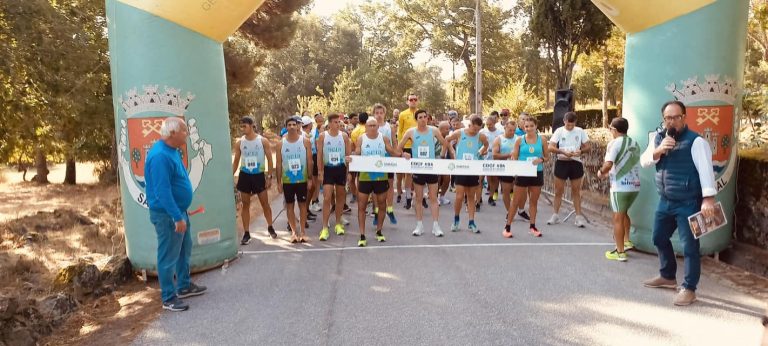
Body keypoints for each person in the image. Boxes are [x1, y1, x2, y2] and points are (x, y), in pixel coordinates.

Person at [640, 100, 717, 306]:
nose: (671, 122)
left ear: (684, 117)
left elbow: (706, 171)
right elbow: (645, 160)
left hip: (688, 202)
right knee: (658, 237)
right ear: (663, 119)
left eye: (676, 117)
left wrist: (708, 199)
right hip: (666, 200)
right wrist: (659, 150)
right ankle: (667, 275)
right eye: (668, 118)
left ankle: (689, 288)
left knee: (690, 247)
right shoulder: (658, 137)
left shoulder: (696, 142)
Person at [145, 117, 206, 312]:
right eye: (184, 131)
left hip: (178, 211)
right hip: (168, 215)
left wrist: (181, 211)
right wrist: (176, 216)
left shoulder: (171, 150)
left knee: (183, 249)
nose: (186, 134)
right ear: (172, 133)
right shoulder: (160, 156)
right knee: (168, 255)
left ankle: (184, 285)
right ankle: (169, 297)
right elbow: (162, 191)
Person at [351, 118, 409, 247]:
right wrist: (352, 156)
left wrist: (402, 155)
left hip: (380, 177)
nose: (372, 127)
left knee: (382, 205)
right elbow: (357, 152)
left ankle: (379, 231)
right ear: (366, 127)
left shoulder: (383, 138)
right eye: (370, 125)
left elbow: (392, 152)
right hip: (365, 177)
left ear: (378, 127)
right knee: (362, 206)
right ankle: (362, 234)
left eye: (374, 125)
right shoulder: (361, 138)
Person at [398, 110, 455, 237]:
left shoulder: (433, 130)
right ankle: (419, 226)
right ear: (416, 119)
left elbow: (444, 142)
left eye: (425, 117)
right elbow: (398, 148)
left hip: (431, 169)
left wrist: (445, 154)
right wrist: (403, 154)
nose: (423, 119)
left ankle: (436, 226)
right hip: (418, 169)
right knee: (418, 198)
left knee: (433, 198)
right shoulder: (410, 132)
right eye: (420, 117)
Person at [597, 117, 641, 262]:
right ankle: (627, 241)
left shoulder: (614, 143)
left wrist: (601, 172)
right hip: (634, 186)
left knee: (617, 218)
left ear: (614, 130)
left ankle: (620, 252)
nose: (610, 131)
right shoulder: (634, 143)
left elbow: (608, 164)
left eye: (610, 128)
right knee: (624, 214)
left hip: (620, 186)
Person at [232, 116, 276, 245]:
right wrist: (230, 175)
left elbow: (269, 159)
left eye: (244, 126)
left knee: (265, 203)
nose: (242, 129)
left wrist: (269, 176)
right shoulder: (240, 142)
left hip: (258, 175)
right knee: (245, 204)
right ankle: (246, 233)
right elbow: (236, 162)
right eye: (241, 126)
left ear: (251, 126)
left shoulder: (262, 141)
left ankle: (270, 226)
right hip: (245, 175)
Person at [503, 117, 549, 237]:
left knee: (533, 201)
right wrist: (515, 166)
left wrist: (541, 159)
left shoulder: (542, 139)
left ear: (536, 127)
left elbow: (547, 157)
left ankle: (532, 226)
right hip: (522, 173)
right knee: (516, 201)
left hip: (537, 172)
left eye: (531, 126)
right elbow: (514, 157)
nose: (528, 128)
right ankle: (507, 227)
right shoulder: (519, 140)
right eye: (526, 126)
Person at [444, 115, 489, 233]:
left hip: (473, 169)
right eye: (474, 129)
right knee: (459, 197)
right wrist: (452, 151)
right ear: (470, 125)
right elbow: (447, 140)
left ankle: (471, 222)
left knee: (471, 196)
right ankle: (456, 220)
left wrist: (481, 152)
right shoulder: (460, 133)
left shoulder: (481, 136)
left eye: (478, 129)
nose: (476, 131)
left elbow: (486, 145)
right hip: (461, 169)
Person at [547, 111, 591, 227]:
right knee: (558, 190)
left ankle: (578, 216)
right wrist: (562, 151)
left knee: (576, 191)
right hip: (562, 162)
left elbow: (588, 147)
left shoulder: (580, 131)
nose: (570, 127)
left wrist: (580, 151)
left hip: (575, 163)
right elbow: (550, 147)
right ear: (564, 122)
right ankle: (555, 214)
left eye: (572, 125)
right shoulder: (559, 131)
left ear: (575, 123)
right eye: (568, 125)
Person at [275, 116, 314, 243]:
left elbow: (309, 161)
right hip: (288, 181)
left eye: (294, 124)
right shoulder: (281, 144)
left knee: (302, 205)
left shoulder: (305, 141)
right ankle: (293, 232)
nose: (292, 127)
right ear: (286, 127)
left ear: (298, 126)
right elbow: (279, 164)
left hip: (301, 180)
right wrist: (279, 182)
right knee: (289, 206)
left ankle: (302, 232)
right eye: (289, 125)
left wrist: (309, 179)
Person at [317, 113, 352, 240]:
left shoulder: (344, 136)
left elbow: (348, 156)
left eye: (339, 122)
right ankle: (325, 227)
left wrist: (349, 173)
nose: (338, 124)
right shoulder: (322, 136)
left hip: (341, 169)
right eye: (336, 122)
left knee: (341, 196)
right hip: (328, 169)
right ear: (330, 123)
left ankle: (338, 223)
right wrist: (320, 172)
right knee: (327, 197)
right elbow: (320, 155)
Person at [492, 118, 519, 237]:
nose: (512, 132)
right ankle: (510, 212)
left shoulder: (518, 139)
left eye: (513, 130)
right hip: (505, 168)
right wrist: (508, 155)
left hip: (517, 168)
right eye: (509, 130)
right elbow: (495, 155)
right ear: (505, 128)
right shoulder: (499, 139)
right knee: (506, 191)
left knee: (519, 192)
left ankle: (520, 209)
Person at [374, 104, 398, 225]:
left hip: (388, 159)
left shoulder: (390, 127)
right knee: (376, 186)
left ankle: (389, 208)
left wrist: (397, 155)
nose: (379, 115)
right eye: (377, 113)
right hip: (375, 160)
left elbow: (394, 142)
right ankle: (377, 210)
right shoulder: (371, 126)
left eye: (381, 113)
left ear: (384, 114)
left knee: (389, 184)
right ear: (374, 114)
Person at [398, 93, 419, 209]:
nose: (413, 101)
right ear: (407, 101)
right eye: (411, 99)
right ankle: (408, 197)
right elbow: (400, 131)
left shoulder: (421, 113)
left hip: (419, 147)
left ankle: (420, 197)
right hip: (406, 146)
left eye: (415, 99)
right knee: (408, 173)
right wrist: (400, 147)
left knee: (418, 172)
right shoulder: (402, 114)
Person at [479, 112, 504, 207]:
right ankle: (479, 197)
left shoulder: (500, 133)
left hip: (495, 158)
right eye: (487, 124)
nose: (489, 126)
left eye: (490, 124)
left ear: (494, 123)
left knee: (494, 179)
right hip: (483, 158)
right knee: (480, 179)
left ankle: (491, 197)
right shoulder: (482, 132)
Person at [301, 116, 320, 222]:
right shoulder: (304, 135)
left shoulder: (310, 133)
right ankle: (304, 211)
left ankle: (306, 210)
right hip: (307, 160)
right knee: (309, 186)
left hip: (311, 158)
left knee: (312, 186)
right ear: (308, 125)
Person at [436, 121, 453, 206]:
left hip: (444, 161)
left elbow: (451, 150)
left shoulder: (448, 138)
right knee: (437, 178)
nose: (448, 130)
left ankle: (442, 196)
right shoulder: (434, 137)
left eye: (449, 128)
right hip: (435, 161)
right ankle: (435, 197)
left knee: (447, 178)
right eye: (447, 129)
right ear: (441, 129)